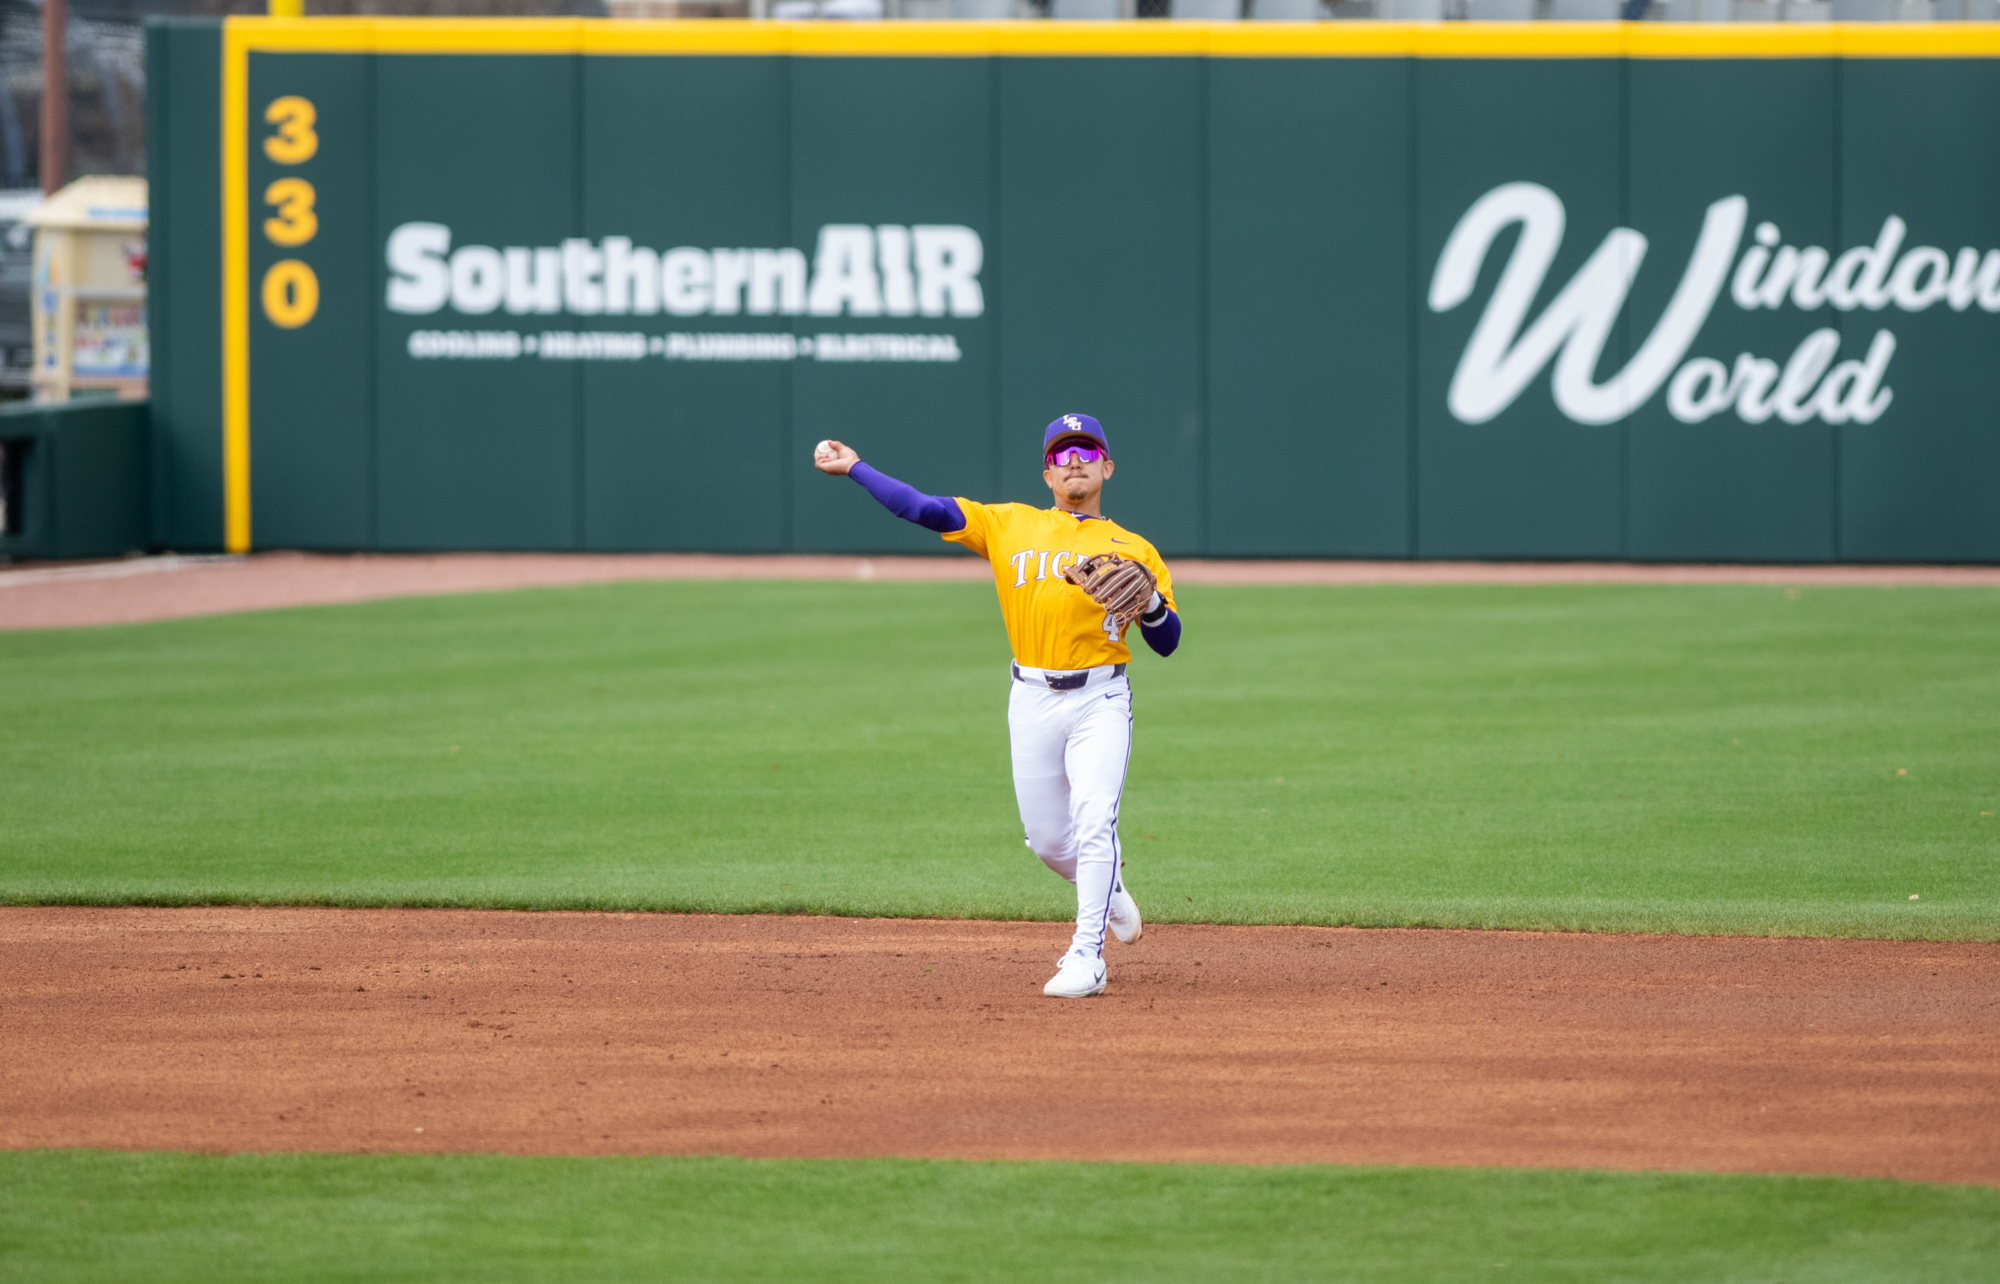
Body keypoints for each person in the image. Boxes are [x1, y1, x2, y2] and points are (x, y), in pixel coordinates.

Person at [812, 413, 1181, 999]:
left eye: (1087, 451)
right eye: (1062, 455)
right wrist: (856, 467)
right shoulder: (1007, 523)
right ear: (1047, 475)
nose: (1075, 461)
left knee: (1093, 821)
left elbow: (1168, 641)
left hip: (1100, 699)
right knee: (1048, 842)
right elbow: (921, 508)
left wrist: (1153, 609)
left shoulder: (1134, 550)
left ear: (1107, 467)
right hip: (1030, 698)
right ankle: (1107, 891)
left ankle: (1087, 956)